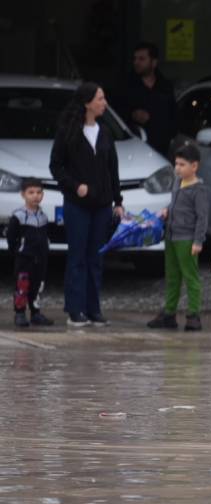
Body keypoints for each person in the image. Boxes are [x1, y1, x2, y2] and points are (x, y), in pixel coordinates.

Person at [49, 82, 124, 327]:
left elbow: (112, 168)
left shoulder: (104, 132)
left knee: (96, 258)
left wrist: (118, 200)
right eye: (100, 99)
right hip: (77, 204)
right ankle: (75, 309)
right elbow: (56, 166)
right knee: (77, 257)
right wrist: (74, 186)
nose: (104, 103)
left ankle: (94, 309)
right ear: (87, 103)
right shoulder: (68, 130)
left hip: (102, 205)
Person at [147, 142, 209, 332]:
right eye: (176, 164)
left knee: (190, 277)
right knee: (172, 277)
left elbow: (202, 217)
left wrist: (198, 241)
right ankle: (169, 313)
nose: (178, 168)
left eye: (182, 164)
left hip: (187, 239)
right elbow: (175, 203)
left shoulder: (199, 190)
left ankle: (193, 315)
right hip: (172, 236)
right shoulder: (177, 183)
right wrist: (166, 210)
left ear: (194, 166)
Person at [6, 178, 54, 328]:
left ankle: (35, 313)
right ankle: (20, 313)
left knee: (37, 286)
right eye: (31, 192)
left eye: (39, 192)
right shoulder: (18, 216)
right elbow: (11, 237)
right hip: (24, 259)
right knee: (22, 286)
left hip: (40, 259)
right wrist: (17, 251)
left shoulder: (43, 217)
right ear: (23, 195)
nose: (35, 196)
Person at [122, 41, 177, 157]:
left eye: (141, 59)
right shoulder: (126, 86)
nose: (136, 62)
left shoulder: (165, 86)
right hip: (134, 149)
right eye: (135, 59)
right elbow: (116, 114)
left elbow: (173, 115)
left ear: (154, 62)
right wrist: (132, 115)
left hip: (162, 148)